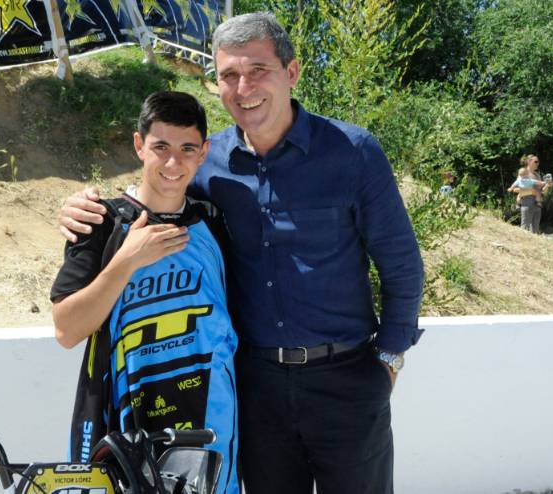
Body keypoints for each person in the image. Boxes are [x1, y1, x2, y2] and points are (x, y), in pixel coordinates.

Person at [58, 12, 424, 494]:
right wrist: (84, 207)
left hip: (347, 380)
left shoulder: (352, 151)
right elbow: (162, 182)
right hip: (255, 388)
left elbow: (402, 265)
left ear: (291, 72)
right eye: (229, 75)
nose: (243, 87)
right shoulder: (206, 160)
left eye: (257, 70)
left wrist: (388, 360)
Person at [50, 91, 240, 494]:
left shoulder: (215, 220)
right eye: (161, 147)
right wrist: (126, 262)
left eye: (187, 149)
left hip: (210, 427)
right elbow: (66, 329)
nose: (173, 163)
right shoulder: (100, 222)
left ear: (204, 152)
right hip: (124, 429)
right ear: (139, 145)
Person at [509, 154, 553, 233]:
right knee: (525, 229)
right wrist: (532, 191)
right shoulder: (524, 174)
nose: (538, 163)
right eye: (536, 161)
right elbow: (515, 189)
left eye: (538, 162)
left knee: (535, 232)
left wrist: (548, 185)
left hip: (537, 206)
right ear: (529, 162)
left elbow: (542, 192)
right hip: (527, 204)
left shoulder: (537, 175)